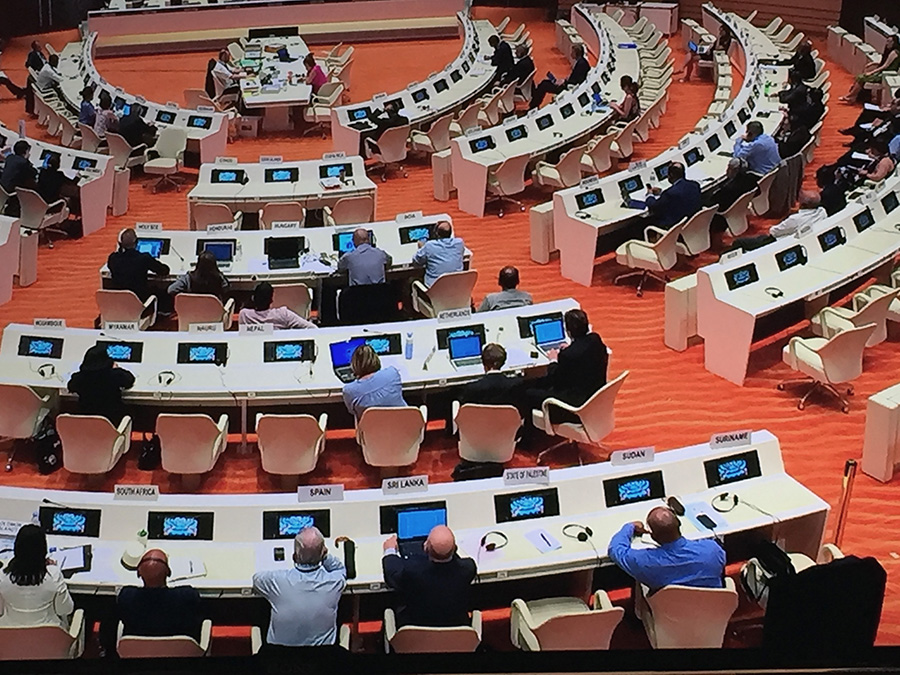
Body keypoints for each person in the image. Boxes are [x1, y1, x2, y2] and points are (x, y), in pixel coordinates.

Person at [252, 527, 346, 647]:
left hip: (280, 660)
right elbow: (341, 569)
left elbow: (256, 579)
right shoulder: (334, 581)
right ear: (324, 552)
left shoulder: (277, 580)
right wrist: (324, 556)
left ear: (294, 556)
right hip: (322, 659)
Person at [607, 506, 725, 593]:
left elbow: (615, 549)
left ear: (652, 535)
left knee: (641, 580)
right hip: (712, 615)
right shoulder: (712, 550)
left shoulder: (645, 562)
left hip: (670, 618)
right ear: (679, 524)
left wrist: (630, 527)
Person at [525, 308, 608, 424]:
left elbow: (556, 381)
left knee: (529, 392)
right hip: (594, 395)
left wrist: (553, 360)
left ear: (568, 331)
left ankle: (529, 437)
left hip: (575, 403)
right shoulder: (595, 339)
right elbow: (583, 350)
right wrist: (572, 346)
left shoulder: (567, 355)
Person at [382, 525, 476, 628]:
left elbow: (391, 572)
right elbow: (456, 563)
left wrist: (390, 550)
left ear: (426, 547)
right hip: (456, 635)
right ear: (455, 548)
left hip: (415, 636)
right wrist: (447, 549)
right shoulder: (468, 568)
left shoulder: (411, 571)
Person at [117, 549, 203, 642]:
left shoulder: (126, 597)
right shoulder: (188, 596)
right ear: (168, 572)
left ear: (138, 573)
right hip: (179, 652)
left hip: (135, 653)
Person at [0, 524, 74, 629]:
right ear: (43, 549)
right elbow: (65, 609)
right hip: (47, 639)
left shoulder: (2, 576)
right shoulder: (53, 575)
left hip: (11, 638)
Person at [732, 190, 828, 252]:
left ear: (804, 204)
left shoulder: (795, 219)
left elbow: (774, 232)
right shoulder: (822, 211)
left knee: (739, 242)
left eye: (802, 197)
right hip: (802, 238)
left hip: (779, 242)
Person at [67, 344, 135, 424]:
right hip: (112, 420)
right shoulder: (114, 375)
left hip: (86, 421)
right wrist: (116, 369)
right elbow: (129, 380)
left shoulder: (80, 378)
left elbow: (70, 386)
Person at [342, 343, 406, 420]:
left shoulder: (349, 391)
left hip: (372, 430)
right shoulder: (393, 373)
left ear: (354, 366)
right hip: (404, 427)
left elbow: (352, 411)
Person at [107, 228, 170, 302]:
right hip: (140, 301)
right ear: (136, 242)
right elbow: (164, 270)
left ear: (120, 244)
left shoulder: (113, 258)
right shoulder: (144, 258)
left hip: (119, 302)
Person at [458, 343, 524, 412]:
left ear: (484, 363)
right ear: (503, 363)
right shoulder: (517, 385)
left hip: (480, 422)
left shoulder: (472, 389)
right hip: (509, 422)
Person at [841, 35, 900, 103]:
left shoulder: (894, 53)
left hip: (885, 75)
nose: (887, 43)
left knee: (861, 77)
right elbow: (883, 63)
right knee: (860, 77)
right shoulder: (890, 51)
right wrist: (872, 63)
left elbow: (885, 66)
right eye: (887, 41)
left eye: (889, 41)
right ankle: (852, 96)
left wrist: (872, 72)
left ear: (894, 42)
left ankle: (850, 96)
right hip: (883, 73)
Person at [530, 43, 590, 109]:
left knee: (544, 85)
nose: (571, 54)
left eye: (572, 52)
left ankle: (533, 106)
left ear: (576, 53)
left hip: (567, 87)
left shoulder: (581, 64)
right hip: (568, 83)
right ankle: (534, 101)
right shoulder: (582, 62)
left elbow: (574, 81)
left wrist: (564, 82)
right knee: (545, 82)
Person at [645, 162, 702, 229]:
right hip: (695, 221)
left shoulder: (669, 194)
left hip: (675, 225)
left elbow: (653, 206)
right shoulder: (695, 185)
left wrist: (650, 195)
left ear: (671, 175)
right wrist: (661, 192)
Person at [238, 281, 316, 329]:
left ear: (253, 298)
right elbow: (311, 327)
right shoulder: (283, 314)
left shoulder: (244, 315)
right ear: (271, 300)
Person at [411, 221, 464, 287]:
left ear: (436, 233)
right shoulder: (459, 243)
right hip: (457, 288)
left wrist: (421, 248)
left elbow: (416, 261)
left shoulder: (429, 246)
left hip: (434, 292)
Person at [1, 140, 37, 217]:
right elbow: (33, 173)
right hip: (10, 192)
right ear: (25, 151)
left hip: (2, 188)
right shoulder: (24, 162)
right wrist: (27, 160)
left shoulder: (9, 157)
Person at [24, 41, 46, 116]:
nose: (41, 47)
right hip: (37, 76)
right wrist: (36, 71)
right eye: (39, 46)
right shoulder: (32, 55)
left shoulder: (40, 54)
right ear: (35, 48)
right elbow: (28, 64)